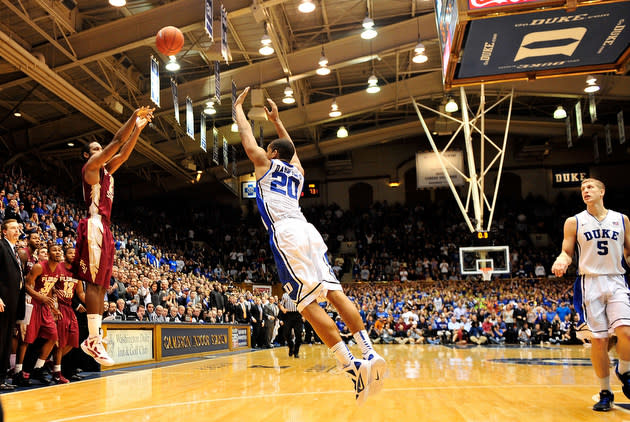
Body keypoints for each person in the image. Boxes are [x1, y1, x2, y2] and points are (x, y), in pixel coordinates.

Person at [234, 87, 385, 403]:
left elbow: (248, 141)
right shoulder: (299, 174)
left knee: (304, 303)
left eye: (270, 148)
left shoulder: (264, 163)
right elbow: (295, 153)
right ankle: (369, 352)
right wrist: (277, 122)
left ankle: (348, 361)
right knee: (334, 292)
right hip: (308, 231)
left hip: (286, 234)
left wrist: (237, 111)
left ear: (273, 153)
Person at [73, 106, 153, 366]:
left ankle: (94, 339)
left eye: (100, 148)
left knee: (102, 286)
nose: (100, 151)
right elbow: (117, 142)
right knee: (94, 285)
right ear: (88, 155)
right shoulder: (92, 167)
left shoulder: (107, 170)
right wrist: (132, 117)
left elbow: (124, 152)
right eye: (95, 148)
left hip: (106, 228)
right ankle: (93, 339)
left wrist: (138, 130)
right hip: (93, 224)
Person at [551, 177, 630, 412]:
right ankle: (605, 391)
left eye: (590, 187)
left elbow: (629, 251)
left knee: (626, 331)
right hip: (590, 282)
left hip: (616, 279)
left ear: (602, 191)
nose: (585, 190)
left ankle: (625, 369)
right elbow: (567, 251)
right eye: (583, 188)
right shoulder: (574, 222)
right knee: (600, 340)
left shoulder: (622, 220)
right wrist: (562, 260)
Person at [0, 220, 25, 390]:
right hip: (2, 302)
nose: (17, 231)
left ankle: (2, 378)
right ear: (3, 232)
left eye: (18, 228)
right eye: (13, 228)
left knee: (6, 342)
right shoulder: (1, 246)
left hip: (12, 304)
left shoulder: (14, 250)